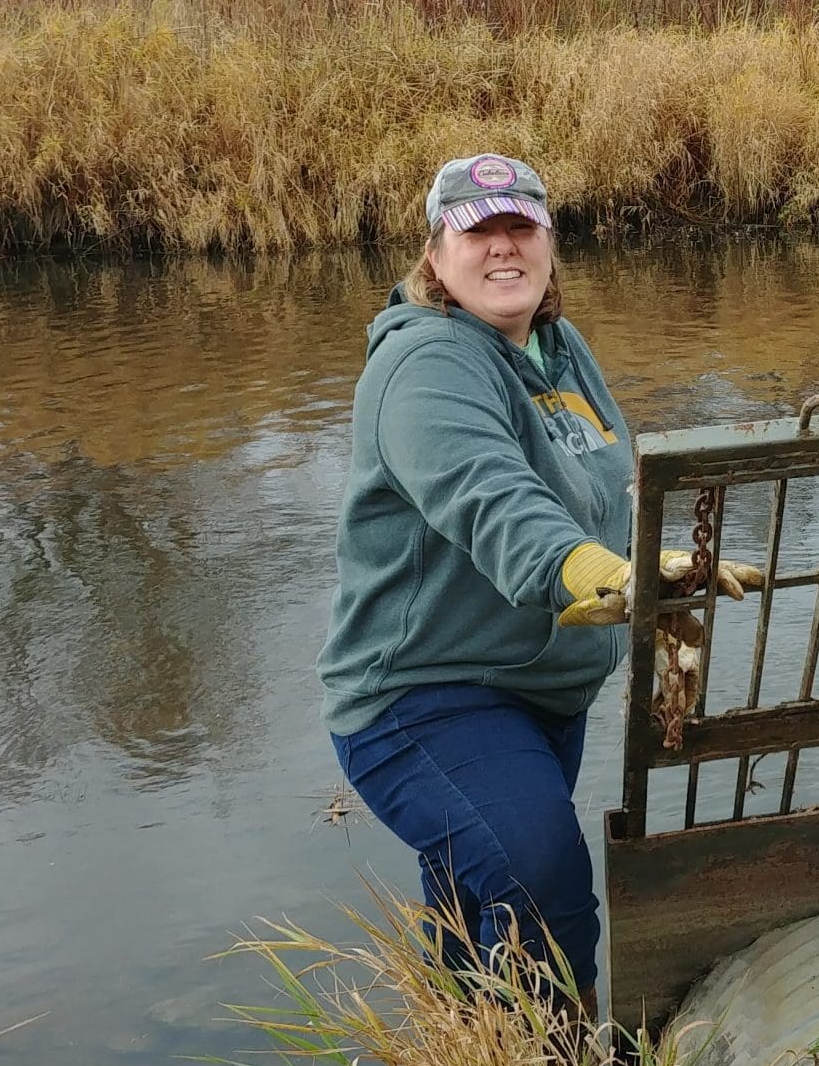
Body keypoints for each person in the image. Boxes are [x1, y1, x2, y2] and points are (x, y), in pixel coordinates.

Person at [317, 154, 758, 1010]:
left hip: (540, 691)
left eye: (521, 227)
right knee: (545, 883)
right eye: (477, 232)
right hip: (422, 698)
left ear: (551, 244)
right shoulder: (424, 367)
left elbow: (606, 487)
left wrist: (658, 560)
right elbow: (495, 504)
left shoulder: (559, 348)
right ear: (436, 255)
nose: (503, 249)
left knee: (481, 897)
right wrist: (608, 576)